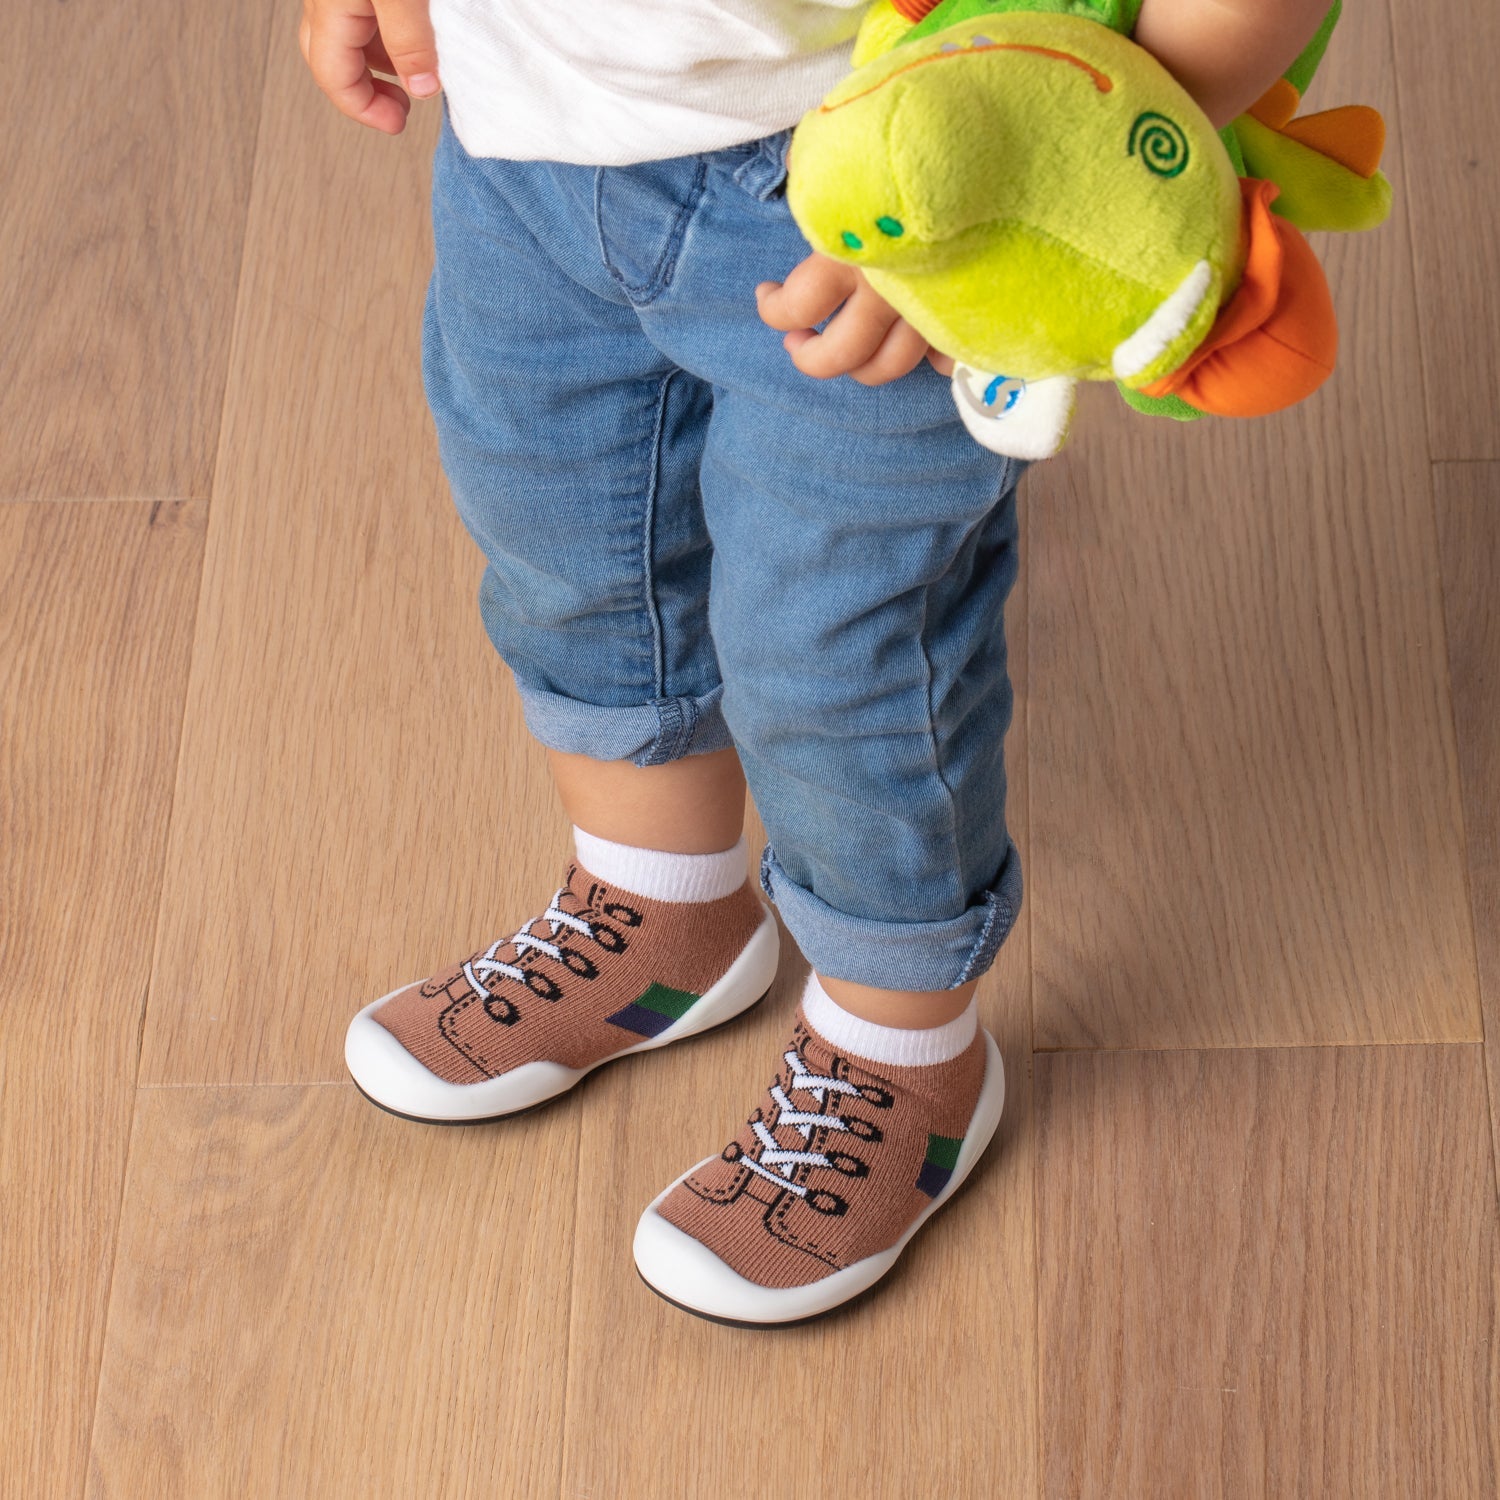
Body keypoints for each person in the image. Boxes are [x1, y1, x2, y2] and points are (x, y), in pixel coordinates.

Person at [301, 0, 1334, 1325]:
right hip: (525, 126)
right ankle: (658, 902)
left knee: (841, 641)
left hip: (875, 177)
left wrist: (1026, 155)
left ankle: (899, 1050)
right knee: (561, 530)